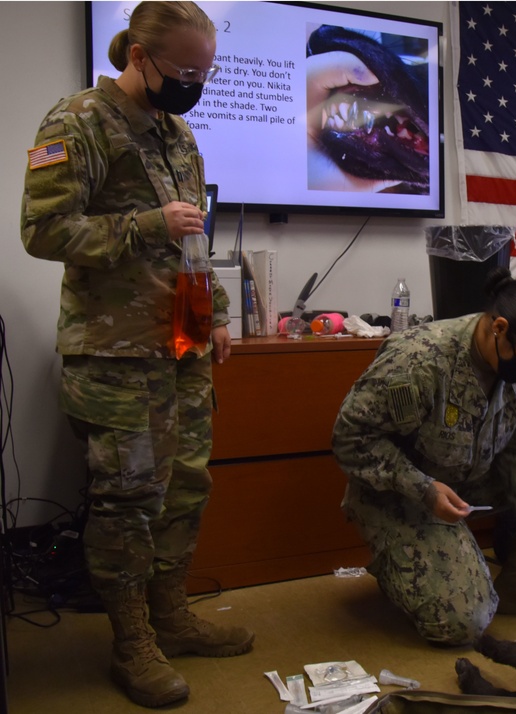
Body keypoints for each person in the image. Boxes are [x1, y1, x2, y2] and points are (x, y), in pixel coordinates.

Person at [21, 2, 253, 707]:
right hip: (116, 356)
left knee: (184, 487)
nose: (195, 83)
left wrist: (210, 312)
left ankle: (171, 617)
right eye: (186, 70)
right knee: (128, 503)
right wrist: (143, 224)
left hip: (180, 349)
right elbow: (43, 230)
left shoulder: (178, 135)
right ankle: (132, 645)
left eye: (205, 72)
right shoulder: (76, 122)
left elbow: (191, 240)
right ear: (140, 58)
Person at [332, 268, 516, 646]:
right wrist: (423, 489)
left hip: (470, 476)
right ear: (500, 328)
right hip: (403, 494)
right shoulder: (419, 360)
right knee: (465, 622)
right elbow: (349, 437)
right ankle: (404, 568)